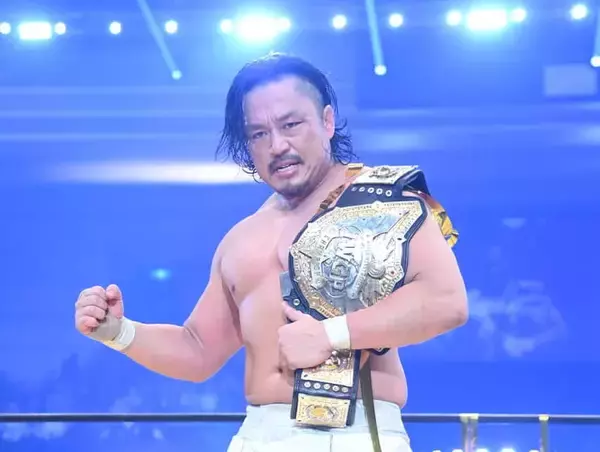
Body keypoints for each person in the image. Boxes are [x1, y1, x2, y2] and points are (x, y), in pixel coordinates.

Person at [74, 53, 468, 451]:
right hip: (258, 433)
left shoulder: (383, 203)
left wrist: (332, 335)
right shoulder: (242, 238)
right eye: (259, 134)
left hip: (356, 431)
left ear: (327, 121)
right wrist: (118, 331)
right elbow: (197, 350)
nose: (277, 145)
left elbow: (446, 301)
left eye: (290, 125)